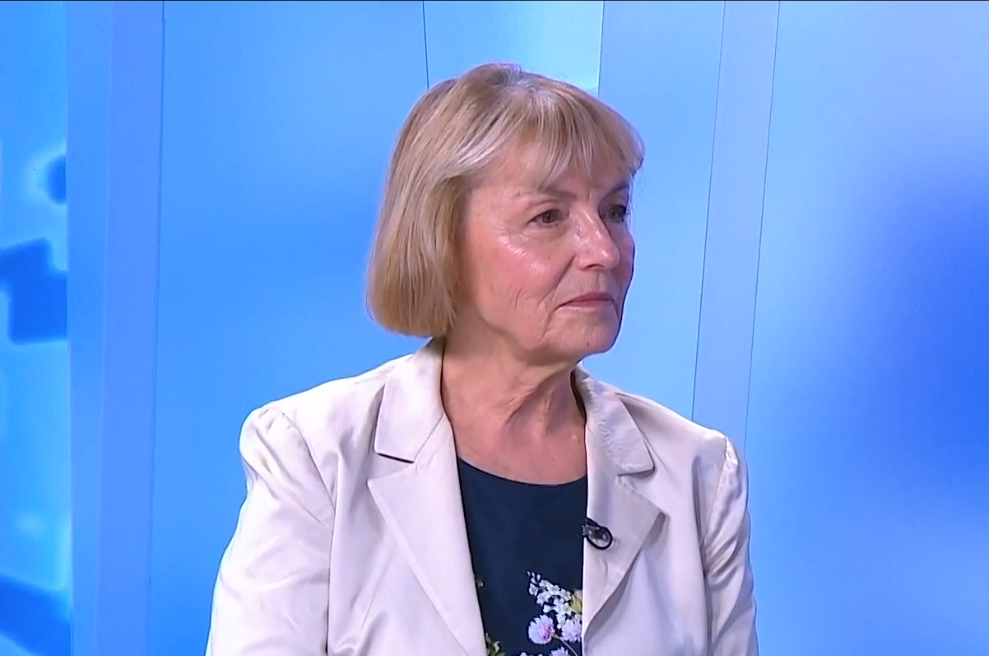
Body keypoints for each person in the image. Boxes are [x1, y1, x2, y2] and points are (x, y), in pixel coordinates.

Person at [204, 62, 758, 656]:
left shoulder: (697, 473)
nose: (604, 251)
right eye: (548, 217)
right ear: (441, 242)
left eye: (615, 211)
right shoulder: (315, 455)